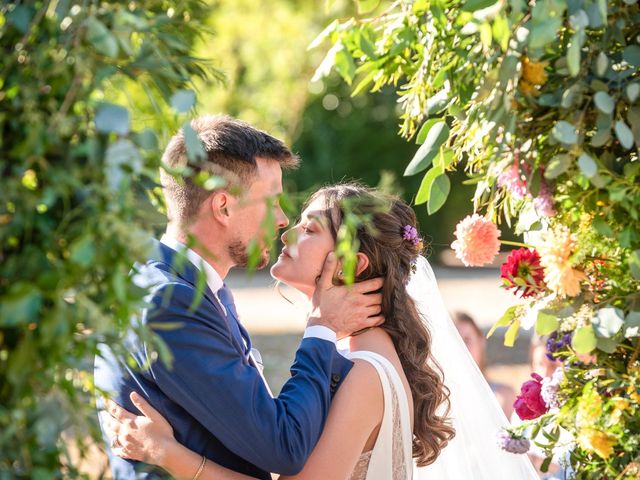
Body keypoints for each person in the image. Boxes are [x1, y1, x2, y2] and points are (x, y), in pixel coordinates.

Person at [103, 184, 540, 479]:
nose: (286, 231)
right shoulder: (347, 352)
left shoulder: (365, 370)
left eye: (309, 229)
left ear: (353, 265)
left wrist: (166, 453)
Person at [94, 118, 385, 479]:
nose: (281, 220)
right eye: (272, 201)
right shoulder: (170, 303)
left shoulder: (189, 288)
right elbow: (284, 448)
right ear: (224, 207)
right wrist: (321, 327)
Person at [453, 312, 516, 417]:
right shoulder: (437, 401)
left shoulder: (504, 397)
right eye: (456, 341)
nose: (462, 348)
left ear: (481, 341)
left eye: (467, 340)